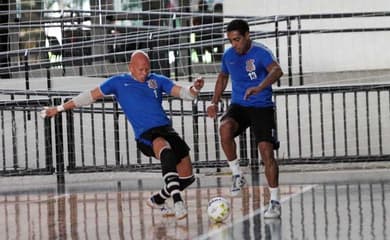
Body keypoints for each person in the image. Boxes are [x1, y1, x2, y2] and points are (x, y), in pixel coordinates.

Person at [41, 50, 204, 220]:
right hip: (146, 134)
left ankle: (157, 199)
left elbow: (184, 93)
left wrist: (194, 88)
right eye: (140, 69)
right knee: (165, 150)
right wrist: (58, 109)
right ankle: (178, 202)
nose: (144, 73)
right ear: (131, 67)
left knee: (187, 178)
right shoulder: (118, 82)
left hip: (167, 129)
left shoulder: (157, 80)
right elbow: (89, 96)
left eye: (147, 69)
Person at [206, 19, 283, 219]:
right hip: (239, 105)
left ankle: (274, 201)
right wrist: (214, 102)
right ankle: (237, 175)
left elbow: (277, 70)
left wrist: (259, 87)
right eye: (231, 41)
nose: (235, 45)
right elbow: (223, 77)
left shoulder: (260, 52)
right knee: (224, 128)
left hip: (261, 106)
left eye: (238, 40)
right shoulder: (229, 55)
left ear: (247, 36)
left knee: (266, 152)